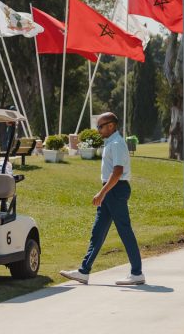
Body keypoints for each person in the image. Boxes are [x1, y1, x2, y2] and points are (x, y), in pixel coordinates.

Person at [60, 113, 145, 285]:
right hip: (111, 189)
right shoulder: (110, 143)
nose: (98, 130)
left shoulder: (117, 143)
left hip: (115, 189)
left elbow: (118, 171)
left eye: (100, 126)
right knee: (98, 231)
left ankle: (137, 273)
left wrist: (102, 192)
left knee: (124, 230)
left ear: (111, 126)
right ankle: (84, 271)